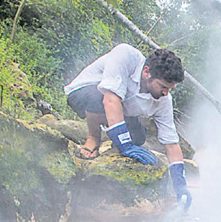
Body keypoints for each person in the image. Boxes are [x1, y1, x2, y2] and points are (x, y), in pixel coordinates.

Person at [64, 43, 191, 206]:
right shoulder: (125, 55)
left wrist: (181, 184)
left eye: (170, 89)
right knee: (99, 98)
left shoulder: (164, 99)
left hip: (118, 107)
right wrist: (124, 145)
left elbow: (171, 143)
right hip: (84, 93)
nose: (166, 93)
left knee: (138, 138)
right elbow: (109, 99)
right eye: (163, 86)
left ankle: (113, 142)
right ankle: (93, 139)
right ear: (147, 72)